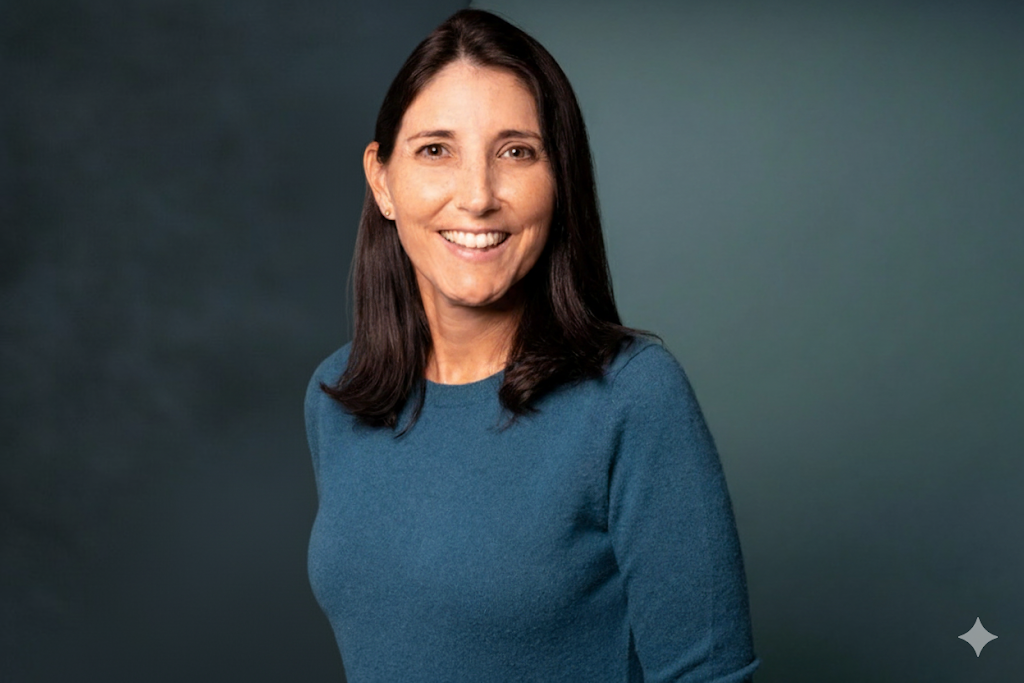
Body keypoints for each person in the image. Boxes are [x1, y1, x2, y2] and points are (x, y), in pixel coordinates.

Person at [305, 9, 759, 682]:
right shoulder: (336, 395)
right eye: (437, 150)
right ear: (382, 180)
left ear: (560, 180)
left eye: (516, 151)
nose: (478, 195)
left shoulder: (633, 397)